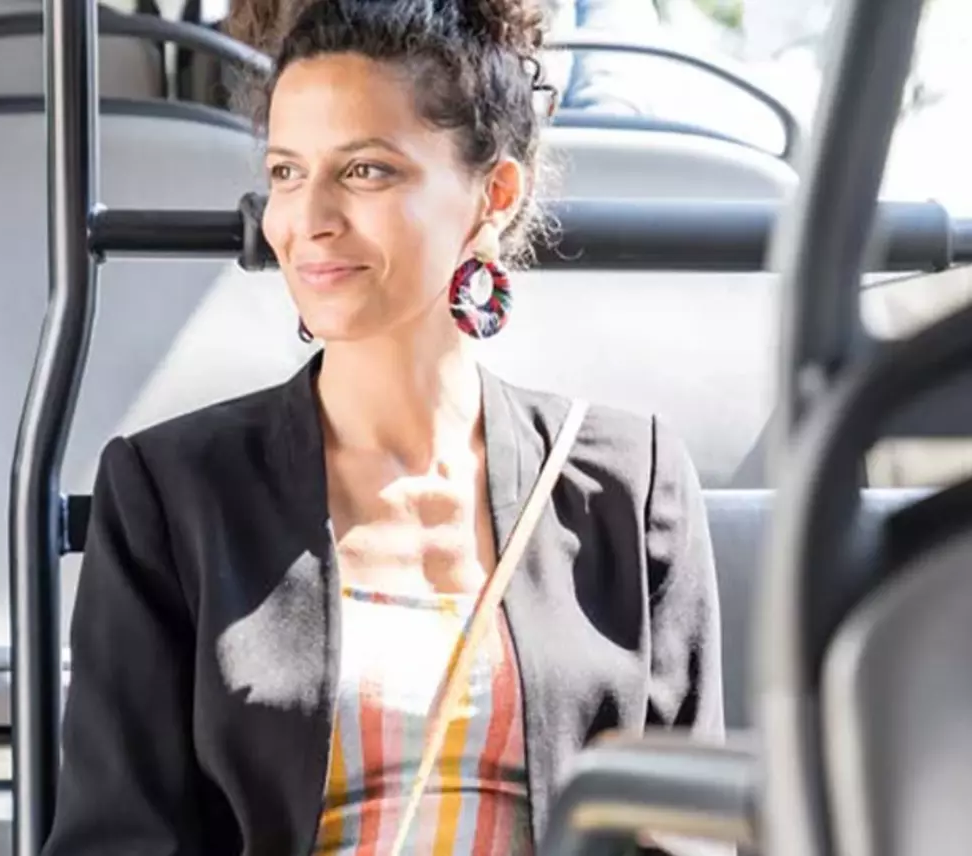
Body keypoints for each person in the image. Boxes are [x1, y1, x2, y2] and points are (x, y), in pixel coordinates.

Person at [47, 0, 724, 853]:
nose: (309, 219)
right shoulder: (171, 493)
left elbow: (690, 832)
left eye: (365, 171)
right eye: (288, 172)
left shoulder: (631, 484)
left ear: (494, 196)